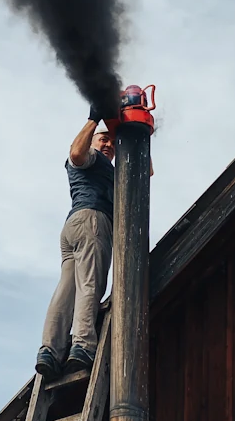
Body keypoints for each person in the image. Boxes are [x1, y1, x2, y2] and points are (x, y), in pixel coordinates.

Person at [35, 104, 152, 378]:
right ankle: (82, 346)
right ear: (92, 141)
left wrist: (137, 136)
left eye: (112, 142)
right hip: (92, 222)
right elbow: (76, 153)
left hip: (74, 227)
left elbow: (145, 173)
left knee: (66, 290)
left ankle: (50, 350)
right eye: (103, 140)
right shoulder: (91, 158)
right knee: (90, 283)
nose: (108, 145)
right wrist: (93, 119)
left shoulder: (110, 171)